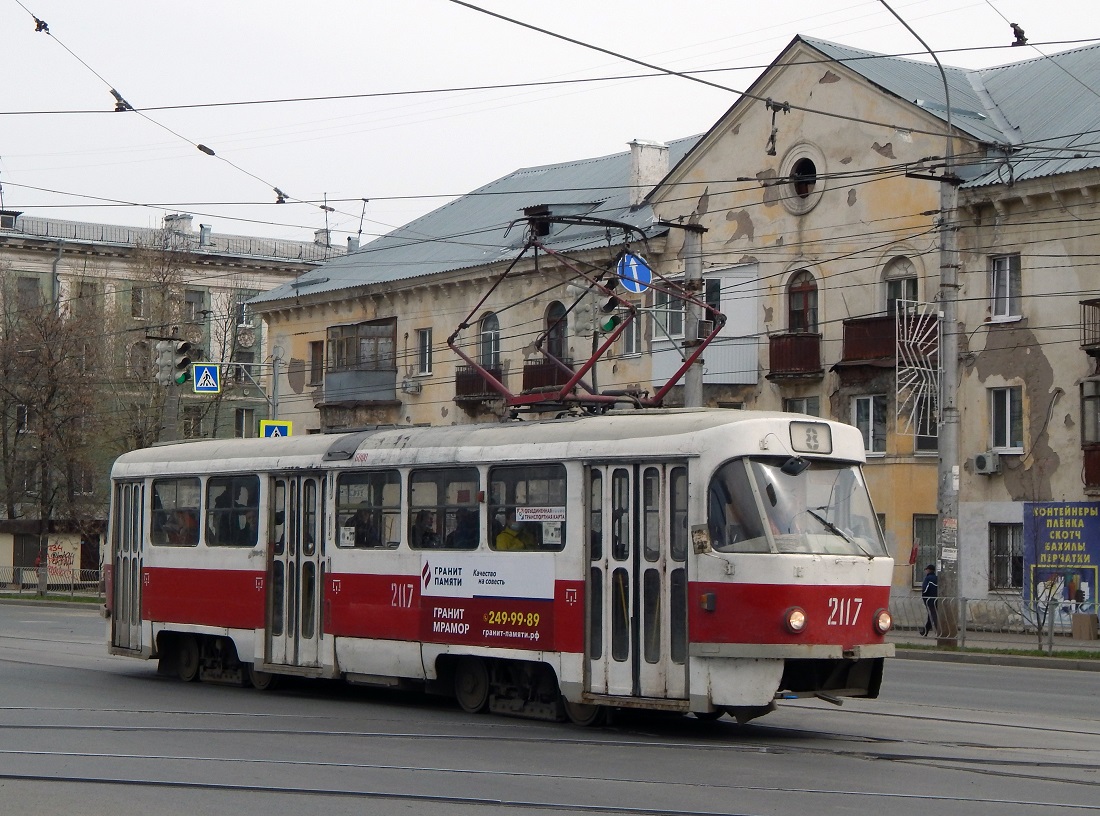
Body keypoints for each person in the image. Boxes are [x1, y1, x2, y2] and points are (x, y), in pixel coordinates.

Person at [919, 563, 939, 637]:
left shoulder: (928, 579)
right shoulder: (937, 578)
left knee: (933, 616)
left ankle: (938, 633)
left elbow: (925, 590)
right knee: (930, 616)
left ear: (929, 570)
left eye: (926, 569)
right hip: (937, 600)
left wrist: (924, 597)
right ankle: (925, 631)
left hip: (930, 600)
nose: (926, 571)